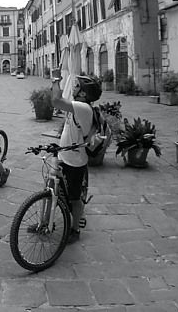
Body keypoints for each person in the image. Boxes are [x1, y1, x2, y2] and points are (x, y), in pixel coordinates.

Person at [51, 73, 102, 244]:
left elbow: (56, 100)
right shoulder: (78, 106)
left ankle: (75, 229)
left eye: (77, 85)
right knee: (51, 188)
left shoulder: (83, 108)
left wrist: (56, 80)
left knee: (74, 197)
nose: (73, 87)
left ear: (83, 93)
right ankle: (44, 222)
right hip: (63, 154)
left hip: (75, 161)